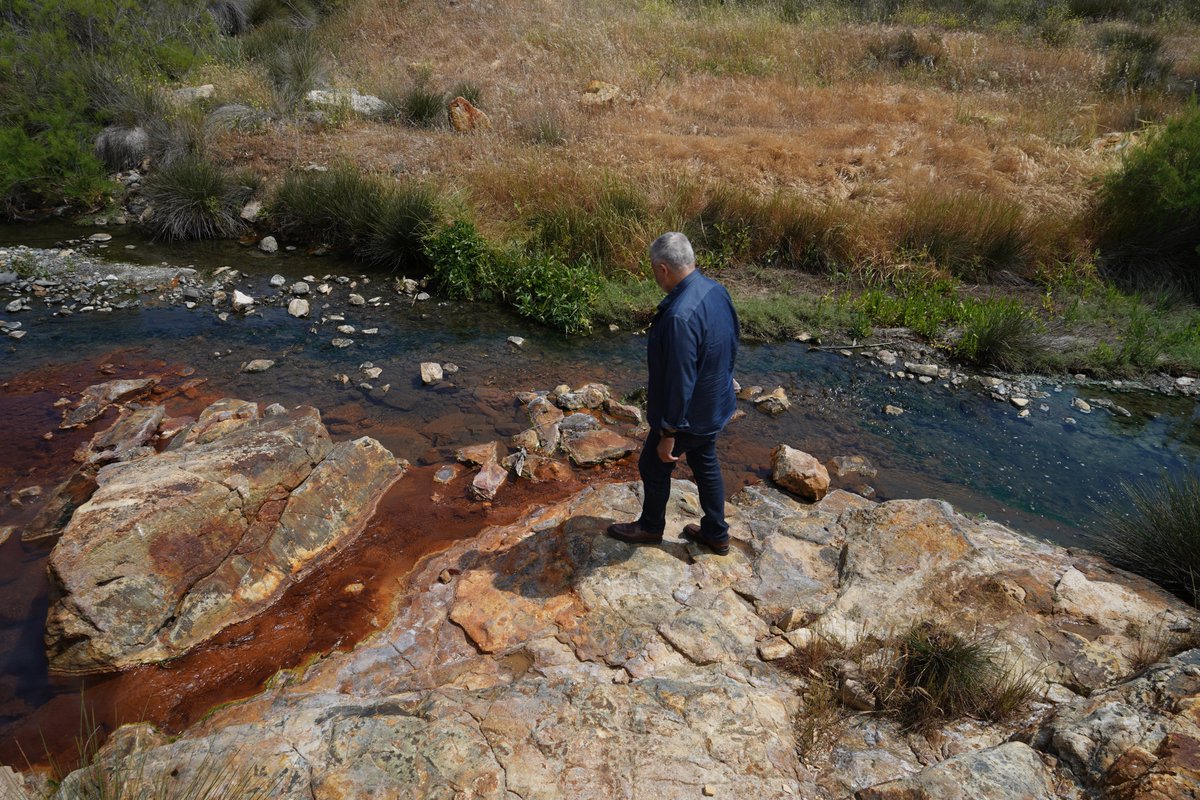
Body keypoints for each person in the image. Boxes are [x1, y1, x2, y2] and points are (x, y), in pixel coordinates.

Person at [607, 232, 740, 555]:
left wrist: (668, 431)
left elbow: (680, 379)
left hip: (689, 414)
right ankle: (716, 533)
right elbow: (733, 338)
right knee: (705, 461)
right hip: (714, 403)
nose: (656, 277)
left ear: (663, 268)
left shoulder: (680, 315)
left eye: (655, 271)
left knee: (653, 465)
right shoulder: (716, 290)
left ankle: (651, 526)